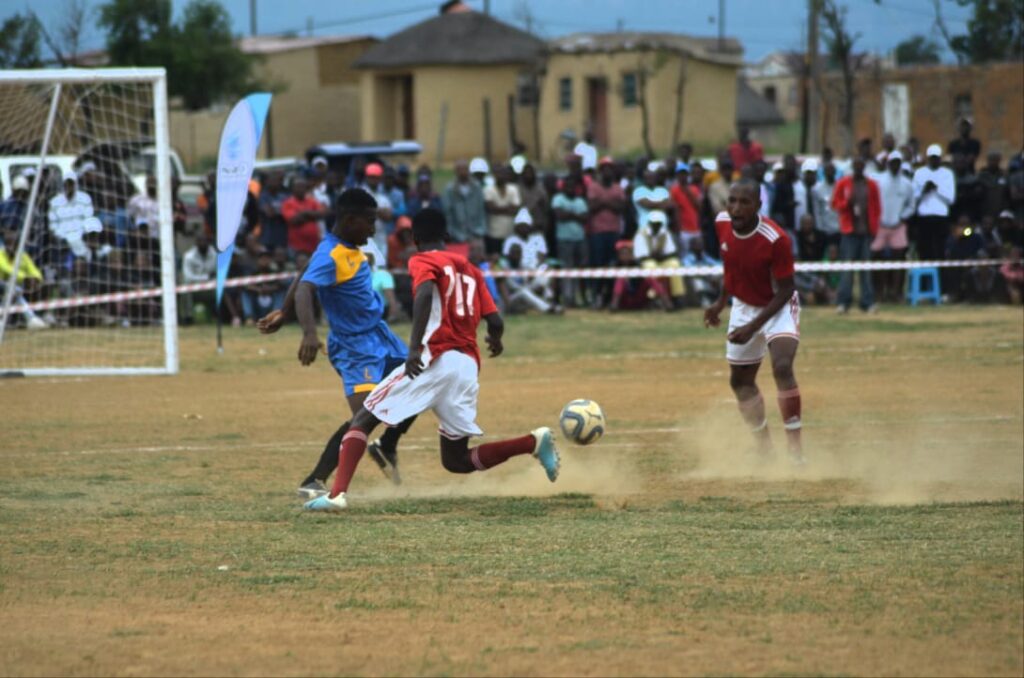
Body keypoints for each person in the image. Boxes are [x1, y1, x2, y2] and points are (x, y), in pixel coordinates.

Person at [302, 207, 561, 511]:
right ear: (447, 237)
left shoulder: (422, 259)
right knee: (456, 460)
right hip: (466, 366)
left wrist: (414, 350)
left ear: (414, 238)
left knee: (363, 418)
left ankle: (336, 496)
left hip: (435, 357)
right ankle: (532, 442)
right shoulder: (470, 268)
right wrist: (496, 338)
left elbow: (424, 294)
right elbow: (495, 318)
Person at [258, 189, 417, 495]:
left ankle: (387, 445)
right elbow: (306, 288)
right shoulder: (332, 253)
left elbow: (304, 273)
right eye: (369, 222)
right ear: (349, 220)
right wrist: (308, 333)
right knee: (365, 418)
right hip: (355, 348)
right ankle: (314, 480)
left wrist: (284, 310)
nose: (373, 230)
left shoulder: (339, 247)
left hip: (380, 336)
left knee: (420, 381)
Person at [704, 179, 804, 465]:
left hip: (779, 305)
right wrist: (720, 302)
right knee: (740, 381)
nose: (736, 208)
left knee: (782, 367)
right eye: (732, 201)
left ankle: (796, 453)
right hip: (744, 306)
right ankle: (764, 450)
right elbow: (731, 266)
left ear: (758, 205)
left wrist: (752, 327)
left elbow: (786, 289)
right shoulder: (722, 224)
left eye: (744, 202)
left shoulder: (776, 239)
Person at [832, 157, 881, 314]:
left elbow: (877, 207)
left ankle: (867, 302)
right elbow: (834, 204)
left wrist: (874, 228)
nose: (859, 168)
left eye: (861, 165)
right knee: (847, 269)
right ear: (853, 167)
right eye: (856, 165)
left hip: (866, 231)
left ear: (864, 167)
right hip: (849, 231)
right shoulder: (843, 183)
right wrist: (847, 203)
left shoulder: (871, 185)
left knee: (866, 269)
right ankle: (843, 302)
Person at [871, 151, 915, 302]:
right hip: (880, 225)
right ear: (888, 163)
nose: (895, 165)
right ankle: (879, 291)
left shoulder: (907, 183)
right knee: (877, 257)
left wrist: (903, 217)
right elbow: (872, 201)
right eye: (892, 162)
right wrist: (876, 217)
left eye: (898, 162)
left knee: (899, 258)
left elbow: (911, 204)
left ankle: (896, 292)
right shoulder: (878, 180)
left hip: (898, 225)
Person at [586, 157, 626, 308]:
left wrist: (603, 202)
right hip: (598, 233)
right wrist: (610, 203)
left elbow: (620, 208)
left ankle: (609, 297)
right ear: (600, 171)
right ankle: (596, 297)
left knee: (613, 265)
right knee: (598, 265)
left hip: (614, 232)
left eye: (610, 168)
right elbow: (592, 207)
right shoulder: (593, 187)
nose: (607, 171)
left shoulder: (618, 188)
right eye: (604, 169)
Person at [913, 144, 956, 261]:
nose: (934, 160)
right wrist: (924, 190)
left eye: (936, 158)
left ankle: (941, 277)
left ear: (940, 159)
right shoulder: (919, 173)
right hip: (924, 216)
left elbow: (951, 199)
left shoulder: (947, 173)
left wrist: (937, 189)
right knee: (925, 250)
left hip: (941, 216)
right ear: (928, 158)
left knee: (940, 250)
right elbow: (914, 197)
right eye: (932, 158)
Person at [551, 175, 588, 306]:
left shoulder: (580, 201)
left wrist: (569, 214)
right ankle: (568, 298)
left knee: (581, 269)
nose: (570, 188)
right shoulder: (558, 199)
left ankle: (582, 297)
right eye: (568, 185)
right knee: (567, 269)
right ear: (563, 187)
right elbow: (559, 215)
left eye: (573, 186)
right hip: (564, 239)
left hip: (580, 239)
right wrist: (576, 215)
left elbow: (585, 218)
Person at [633, 210, 683, 305]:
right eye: (654, 223)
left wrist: (658, 255)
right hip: (646, 262)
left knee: (674, 263)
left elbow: (671, 252)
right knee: (651, 266)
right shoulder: (641, 234)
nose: (656, 225)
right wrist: (658, 255)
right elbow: (642, 256)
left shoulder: (665, 233)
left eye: (658, 223)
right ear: (649, 223)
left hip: (661, 260)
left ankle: (677, 296)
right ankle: (655, 297)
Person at [0, 228, 48, 329]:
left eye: (12, 244)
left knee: (43, 286)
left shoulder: (23, 256)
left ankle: (45, 314)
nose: (10, 247)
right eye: (8, 244)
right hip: (2, 283)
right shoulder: (0, 254)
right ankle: (30, 318)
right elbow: (7, 269)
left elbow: (33, 269)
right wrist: (25, 277)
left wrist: (36, 278)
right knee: (14, 289)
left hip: (18, 285)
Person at [47, 171, 99, 261]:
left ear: (75, 184)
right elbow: (53, 225)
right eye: (67, 183)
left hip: (82, 236)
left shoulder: (85, 198)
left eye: (71, 183)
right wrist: (65, 237)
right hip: (62, 239)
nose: (69, 186)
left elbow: (88, 219)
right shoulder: (54, 202)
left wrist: (79, 235)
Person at [609, 239, 672, 311]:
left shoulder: (638, 264)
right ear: (618, 255)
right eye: (622, 253)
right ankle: (614, 305)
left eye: (627, 253)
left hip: (638, 297)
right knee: (620, 279)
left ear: (631, 254)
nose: (625, 256)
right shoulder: (613, 265)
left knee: (649, 278)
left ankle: (667, 303)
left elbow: (643, 280)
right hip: (624, 300)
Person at [442, 160, 487, 245]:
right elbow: (448, 214)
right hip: (457, 236)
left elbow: (481, 210)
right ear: (455, 172)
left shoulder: (477, 187)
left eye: (465, 169)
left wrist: (480, 230)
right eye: (459, 169)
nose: (462, 172)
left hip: (476, 234)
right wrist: (452, 233)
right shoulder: (450, 189)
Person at [281, 178, 327, 257]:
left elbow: (322, 213)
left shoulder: (312, 201)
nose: (301, 189)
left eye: (303, 187)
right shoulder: (288, 203)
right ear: (293, 189)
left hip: (313, 245)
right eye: (298, 187)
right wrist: (311, 215)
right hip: (296, 246)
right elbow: (294, 220)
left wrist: (304, 213)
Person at [483, 165, 521, 255]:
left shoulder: (513, 189)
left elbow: (515, 209)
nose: (500, 176)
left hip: (510, 232)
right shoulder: (488, 189)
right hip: (493, 233)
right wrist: (508, 208)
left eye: (503, 173)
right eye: (498, 173)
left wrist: (497, 209)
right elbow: (490, 208)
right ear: (494, 175)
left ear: (507, 175)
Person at [670, 162, 702, 252]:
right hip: (683, 230)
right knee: (685, 255)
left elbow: (699, 207)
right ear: (677, 175)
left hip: (696, 227)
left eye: (684, 173)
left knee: (698, 252)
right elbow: (674, 209)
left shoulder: (694, 189)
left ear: (688, 175)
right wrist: (678, 228)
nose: (682, 176)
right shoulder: (674, 190)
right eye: (680, 174)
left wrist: (688, 191)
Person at [257, 171, 289, 252]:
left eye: (276, 180)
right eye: (271, 180)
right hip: (267, 236)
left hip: (283, 235)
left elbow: (289, 213)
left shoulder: (285, 196)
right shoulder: (263, 196)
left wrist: (278, 211)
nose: (273, 183)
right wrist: (282, 210)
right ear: (267, 182)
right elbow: (269, 213)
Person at [812, 162, 841, 248]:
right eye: (827, 171)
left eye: (832, 171)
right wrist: (819, 229)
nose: (830, 173)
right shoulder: (817, 189)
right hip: (824, 230)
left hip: (839, 229)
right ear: (823, 172)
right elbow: (817, 211)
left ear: (835, 172)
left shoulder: (840, 187)